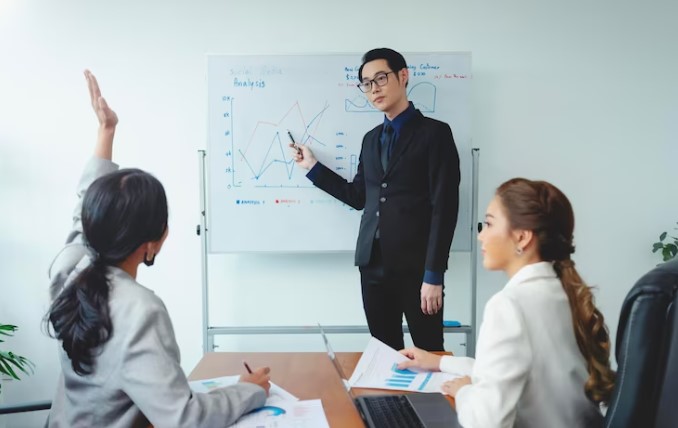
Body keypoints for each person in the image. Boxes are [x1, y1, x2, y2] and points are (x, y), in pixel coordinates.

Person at [44, 70, 271, 428]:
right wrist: (250, 390)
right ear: (156, 239)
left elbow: (83, 208)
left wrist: (106, 130)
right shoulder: (139, 310)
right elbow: (184, 419)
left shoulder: (70, 267)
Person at [398, 178, 616, 427]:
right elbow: (506, 371)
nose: (481, 236)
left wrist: (465, 392)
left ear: (522, 237)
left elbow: (485, 422)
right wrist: (439, 362)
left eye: (489, 224)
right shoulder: (562, 292)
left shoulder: (509, 305)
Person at [293, 48, 460, 351]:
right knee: (383, 354)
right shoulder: (371, 139)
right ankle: (388, 402)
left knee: (429, 351)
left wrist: (434, 275)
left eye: (380, 78)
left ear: (403, 76)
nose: (374, 89)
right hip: (372, 264)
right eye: (367, 84)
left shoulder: (434, 134)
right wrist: (313, 167)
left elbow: (445, 208)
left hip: (417, 267)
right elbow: (359, 197)